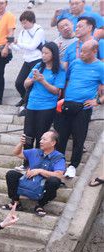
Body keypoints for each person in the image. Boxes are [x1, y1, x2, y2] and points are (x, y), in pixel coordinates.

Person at [55, 39, 104, 178]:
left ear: (94, 51)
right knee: (61, 137)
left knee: (79, 137)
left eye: (85, 52)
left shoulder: (100, 67)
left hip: (83, 107)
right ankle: (59, 163)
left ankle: (73, 166)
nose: (81, 54)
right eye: (81, 50)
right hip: (67, 104)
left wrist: (98, 101)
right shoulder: (75, 63)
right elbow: (66, 78)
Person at [5, 131, 66, 216]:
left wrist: (40, 171)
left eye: (44, 139)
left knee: (54, 181)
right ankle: (16, 202)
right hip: (30, 181)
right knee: (11, 174)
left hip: (43, 186)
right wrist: (21, 144)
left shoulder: (58, 157)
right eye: (41, 139)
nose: (40, 141)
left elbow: (59, 175)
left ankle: (40, 205)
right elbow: (17, 153)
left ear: (53, 143)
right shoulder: (34, 152)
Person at [22, 43, 65, 150]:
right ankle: (27, 158)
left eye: (46, 53)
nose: (43, 55)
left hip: (47, 107)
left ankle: (39, 158)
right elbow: (25, 84)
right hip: (32, 104)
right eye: (42, 53)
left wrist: (42, 81)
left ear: (53, 54)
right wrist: (33, 79)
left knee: (41, 136)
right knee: (27, 135)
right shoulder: (38, 66)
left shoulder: (59, 70)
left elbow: (56, 91)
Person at [12, 10, 44, 112]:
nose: (23, 25)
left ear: (31, 21)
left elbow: (32, 46)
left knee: (31, 84)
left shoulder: (39, 30)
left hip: (37, 59)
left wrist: (18, 43)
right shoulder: (23, 32)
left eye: (25, 23)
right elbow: (19, 48)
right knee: (19, 83)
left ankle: (27, 104)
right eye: (22, 23)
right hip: (27, 60)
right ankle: (24, 98)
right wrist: (10, 44)